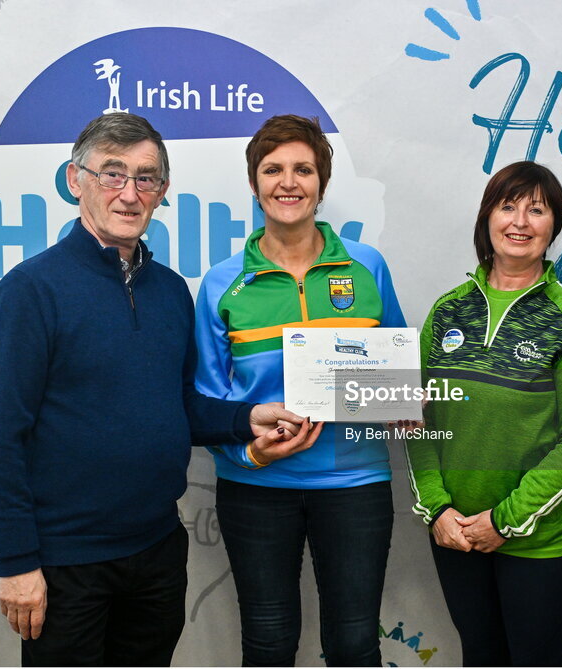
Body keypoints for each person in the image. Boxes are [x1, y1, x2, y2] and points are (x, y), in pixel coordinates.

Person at [0, 112, 317, 667]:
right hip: (65, 564)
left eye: (146, 178)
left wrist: (244, 418)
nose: (130, 193)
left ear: (163, 192)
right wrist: (16, 563)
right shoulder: (29, 292)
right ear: (75, 180)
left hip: (156, 552)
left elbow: (178, 404)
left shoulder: (172, 292)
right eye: (112, 174)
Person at [194, 114, 406, 666]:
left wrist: (402, 401)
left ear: (322, 182)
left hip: (355, 484)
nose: (288, 182)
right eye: (273, 169)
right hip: (255, 487)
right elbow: (207, 402)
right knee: (267, 645)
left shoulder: (367, 266)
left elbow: (398, 377)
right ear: (254, 183)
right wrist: (252, 450)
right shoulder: (221, 283)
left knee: (355, 643)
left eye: (303, 169)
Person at [405, 161, 562, 666]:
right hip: (456, 534)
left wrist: (506, 520)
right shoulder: (447, 311)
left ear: (554, 226)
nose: (520, 221)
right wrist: (437, 508)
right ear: (487, 219)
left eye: (536, 210)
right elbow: (415, 418)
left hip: (540, 543)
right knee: (480, 656)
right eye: (508, 206)